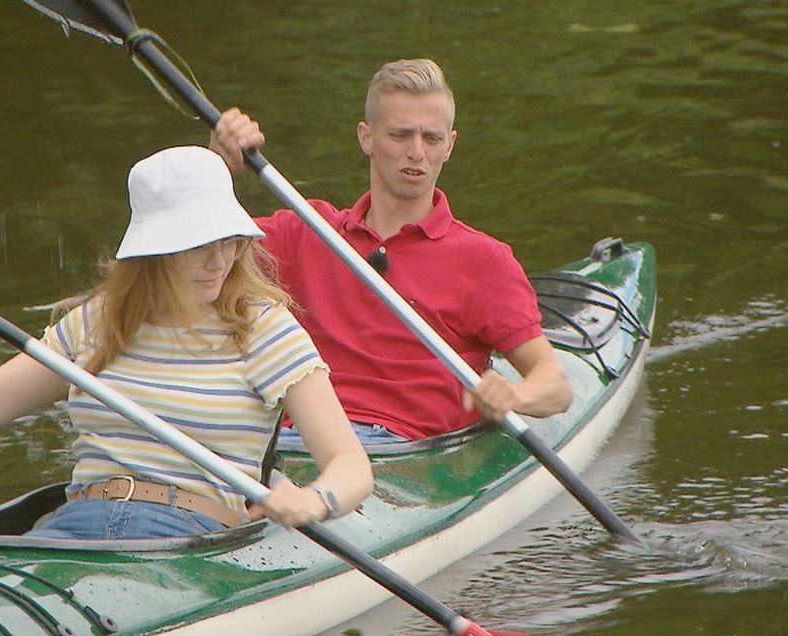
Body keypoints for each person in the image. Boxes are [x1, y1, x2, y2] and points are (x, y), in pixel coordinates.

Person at [0, 145, 373, 539]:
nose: (219, 261)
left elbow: (351, 466)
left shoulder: (264, 329)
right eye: (199, 245)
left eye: (231, 242)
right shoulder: (99, 320)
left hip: (189, 537)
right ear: (155, 250)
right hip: (73, 523)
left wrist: (315, 500)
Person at [210, 58, 572, 442]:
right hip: (301, 438)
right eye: (400, 135)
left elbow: (555, 385)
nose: (417, 152)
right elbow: (194, 258)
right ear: (366, 137)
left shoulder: (485, 260)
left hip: (405, 454)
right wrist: (216, 167)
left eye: (431, 139)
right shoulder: (306, 229)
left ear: (449, 146)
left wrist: (513, 394)